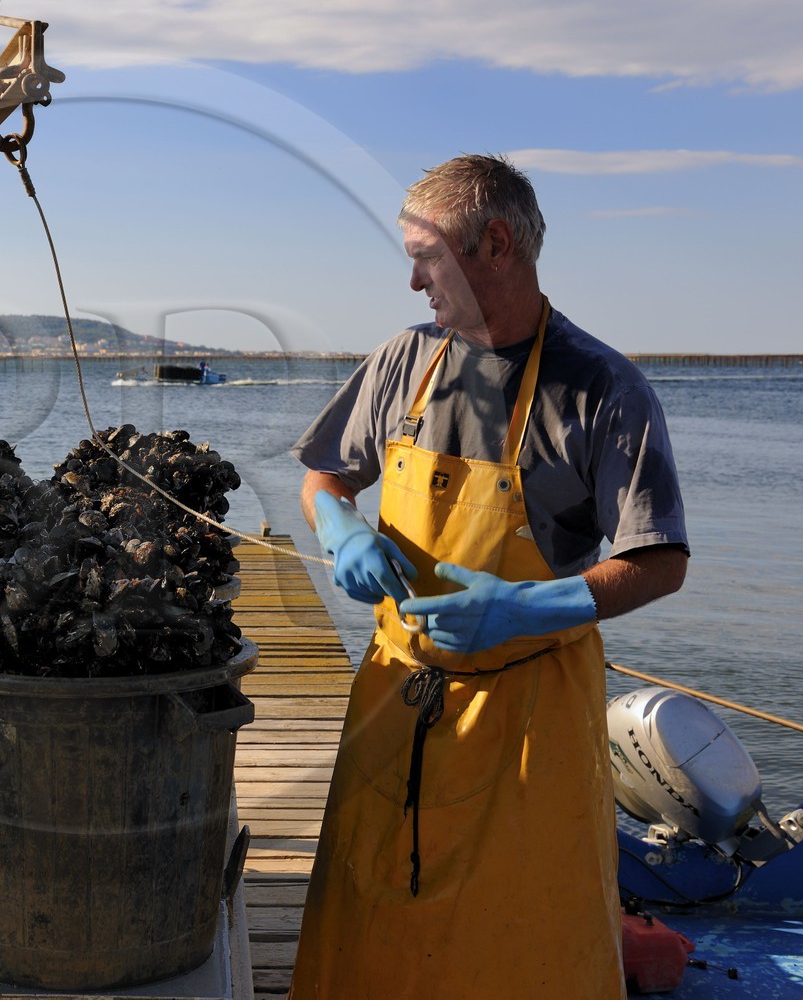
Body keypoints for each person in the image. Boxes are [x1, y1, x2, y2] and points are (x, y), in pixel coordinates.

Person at [287, 155, 688, 998]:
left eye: (425, 257)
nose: (411, 281)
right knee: (368, 923)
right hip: (396, 702)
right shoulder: (405, 361)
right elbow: (324, 473)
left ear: (495, 245)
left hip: (530, 721)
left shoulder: (605, 389)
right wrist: (341, 525)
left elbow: (660, 560)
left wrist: (527, 606)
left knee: (520, 947)